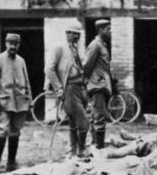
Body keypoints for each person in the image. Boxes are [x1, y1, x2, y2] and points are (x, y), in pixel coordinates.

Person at [0, 33, 32, 172]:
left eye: (15, 44)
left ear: (19, 45)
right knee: (3, 130)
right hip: (4, 102)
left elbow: (27, 82)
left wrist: (29, 100)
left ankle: (11, 162)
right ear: (6, 43)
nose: (13, 46)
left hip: (20, 102)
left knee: (15, 132)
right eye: (10, 43)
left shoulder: (21, 61)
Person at [45, 24, 90, 158]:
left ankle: (72, 152)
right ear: (67, 33)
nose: (77, 36)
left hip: (79, 88)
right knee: (84, 122)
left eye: (79, 34)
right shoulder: (59, 48)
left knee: (73, 122)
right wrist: (58, 88)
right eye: (74, 33)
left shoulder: (74, 49)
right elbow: (49, 69)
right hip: (68, 88)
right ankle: (81, 151)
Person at [84, 19, 114, 149]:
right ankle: (99, 147)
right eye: (108, 29)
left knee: (97, 115)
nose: (110, 31)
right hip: (97, 86)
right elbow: (87, 65)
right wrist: (85, 81)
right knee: (99, 116)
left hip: (102, 85)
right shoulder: (95, 45)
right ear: (101, 30)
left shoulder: (103, 45)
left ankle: (95, 144)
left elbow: (105, 67)